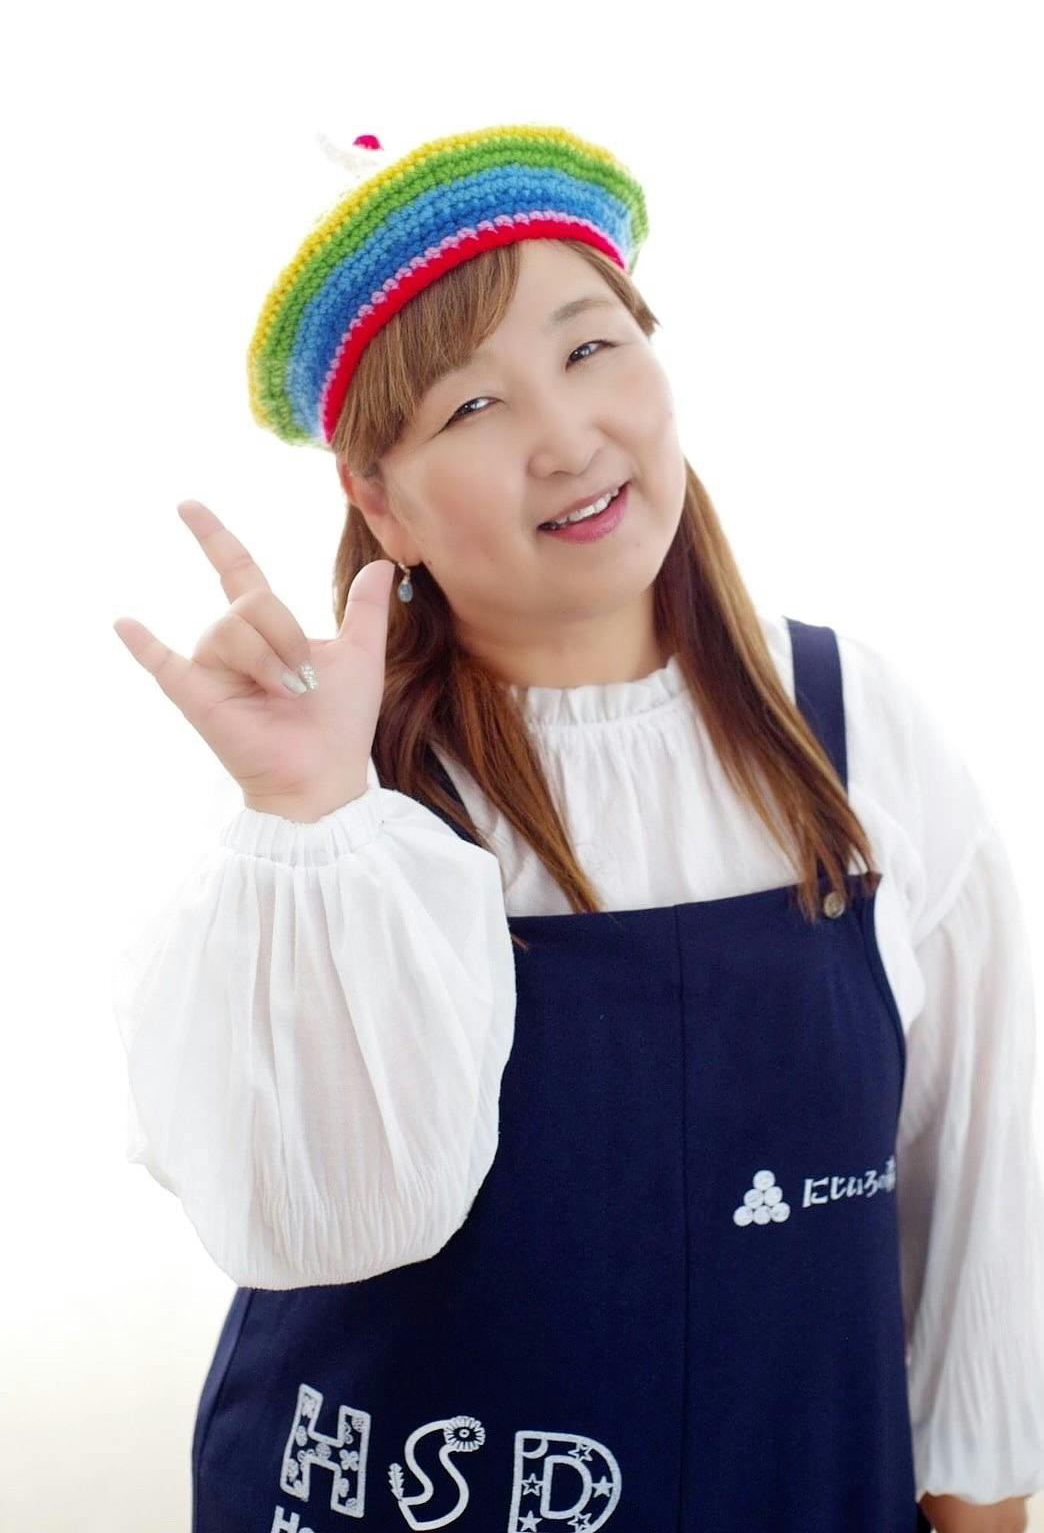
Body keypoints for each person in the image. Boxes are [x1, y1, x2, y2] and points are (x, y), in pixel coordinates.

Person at [111, 123, 1043, 1532]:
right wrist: (307, 819)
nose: (565, 438)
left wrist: (980, 1505)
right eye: (472, 407)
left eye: (590, 347)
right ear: (378, 501)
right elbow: (317, 1221)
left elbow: (975, 1189)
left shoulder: (859, 733)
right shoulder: (342, 805)